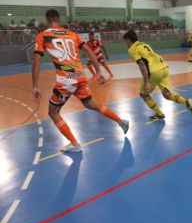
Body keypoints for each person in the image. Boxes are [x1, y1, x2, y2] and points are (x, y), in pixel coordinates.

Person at [32, 9, 129, 152]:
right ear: (59, 19)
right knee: (91, 104)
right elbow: (89, 51)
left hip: (66, 80)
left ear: (47, 20)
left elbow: (36, 61)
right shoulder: (72, 34)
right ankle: (121, 121)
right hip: (80, 76)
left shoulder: (43, 36)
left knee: (53, 112)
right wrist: (98, 72)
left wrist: (35, 85)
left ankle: (75, 144)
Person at [123, 29, 192, 121]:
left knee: (143, 94)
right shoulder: (144, 44)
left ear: (128, 40)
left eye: (125, 41)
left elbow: (142, 64)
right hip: (164, 67)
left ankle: (159, 113)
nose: (125, 44)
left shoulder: (132, 49)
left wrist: (147, 82)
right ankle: (186, 102)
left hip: (153, 72)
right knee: (167, 94)